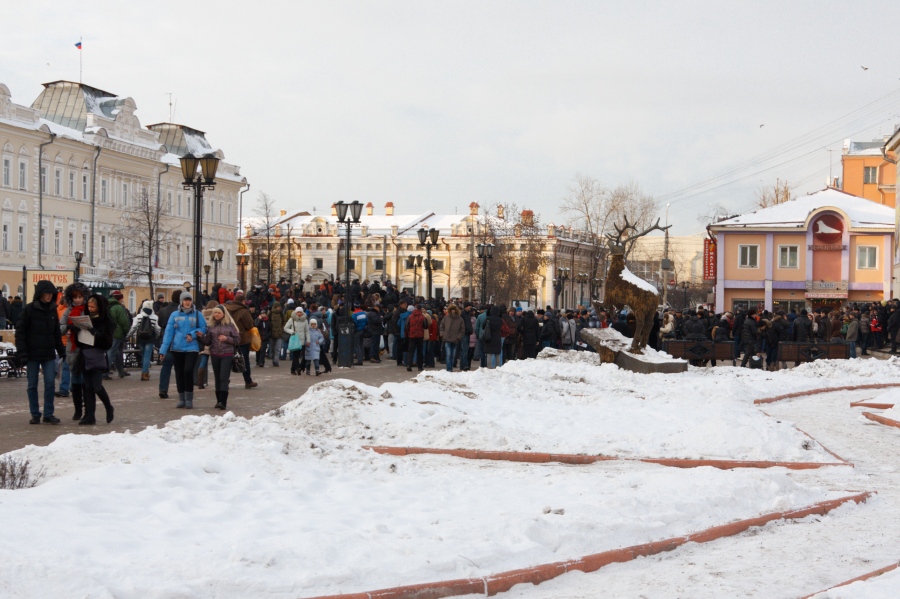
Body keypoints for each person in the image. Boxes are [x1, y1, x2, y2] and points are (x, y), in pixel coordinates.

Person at [16, 279, 66, 424]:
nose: (49, 296)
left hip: (48, 353)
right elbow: (20, 333)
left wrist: (61, 351)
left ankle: (48, 414)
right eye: (46, 293)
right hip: (32, 354)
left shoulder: (52, 310)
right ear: (40, 294)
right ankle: (35, 414)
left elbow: (56, 333)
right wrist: (23, 353)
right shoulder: (29, 309)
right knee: (32, 385)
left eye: (51, 293)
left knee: (50, 384)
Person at [159, 291, 207, 409]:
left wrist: (193, 334)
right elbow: (168, 333)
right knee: (179, 373)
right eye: (185, 300)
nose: (187, 302)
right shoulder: (175, 315)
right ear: (181, 301)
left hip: (192, 348)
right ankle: (182, 398)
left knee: (188, 371)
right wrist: (163, 350)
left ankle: (189, 398)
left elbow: (203, 328)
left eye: (189, 300)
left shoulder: (197, 314)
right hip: (177, 348)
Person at [76, 294, 115, 425]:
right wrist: (77, 331)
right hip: (85, 355)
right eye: (89, 306)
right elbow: (80, 342)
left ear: (99, 307)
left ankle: (108, 407)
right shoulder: (86, 319)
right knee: (87, 387)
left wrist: (95, 332)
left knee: (97, 387)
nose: (90, 309)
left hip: (97, 355)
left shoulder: (105, 321)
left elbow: (107, 342)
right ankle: (89, 415)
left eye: (93, 307)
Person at [58, 282, 91, 419]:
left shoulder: (89, 309)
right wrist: (70, 328)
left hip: (87, 347)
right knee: (76, 380)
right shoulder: (69, 311)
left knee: (86, 381)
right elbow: (60, 328)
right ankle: (78, 410)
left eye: (80, 296)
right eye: (75, 297)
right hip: (73, 348)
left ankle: (87, 410)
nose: (78, 299)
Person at [201, 304, 240, 410]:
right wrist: (201, 337)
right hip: (215, 354)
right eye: (215, 313)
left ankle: (223, 402)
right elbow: (208, 341)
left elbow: (237, 340)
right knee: (217, 378)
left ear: (223, 314)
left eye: (218, 312)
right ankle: (218, 401)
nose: (216, 314)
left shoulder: (230, 325)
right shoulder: (211, 326)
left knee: (224, 378)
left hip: (227, 354)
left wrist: (226, 338)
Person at [225, 290, 258, 389]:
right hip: (242, 339)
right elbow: (249, 325)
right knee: (244, 360)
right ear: (243, 301)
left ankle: (225, 379)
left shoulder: (226, 309)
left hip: (228, 338)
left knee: (227, 359)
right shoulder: (244, 311)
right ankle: (248, 381)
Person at [127, 300, 161, 381]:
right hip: (150, 339)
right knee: (147, 356)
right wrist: (157, 336)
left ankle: (145, 372)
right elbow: (158, 329)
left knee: (143, 355)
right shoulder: (155, 317)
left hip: (140, 339)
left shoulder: (138, 316)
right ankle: (144, 373)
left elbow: (133, 327)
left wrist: (128, 335)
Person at [157, 290, 181, 399]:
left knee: (166, 366)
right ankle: (180, 389)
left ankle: (163, 389)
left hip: (166, 340)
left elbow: (160, 324)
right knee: (179, 367)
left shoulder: (163, 310)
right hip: (179, 341)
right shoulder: (181, 312)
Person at [105, 289, 131, 380]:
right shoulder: (118, 307)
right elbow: (124, 321)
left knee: (116, 353)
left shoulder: (106, 305)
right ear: (119, 298)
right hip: (117, 332)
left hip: (108, 331)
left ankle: (121, 371)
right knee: (112, 352)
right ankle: (104, 372)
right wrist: (126, 331)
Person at [285, 306, 311, 374]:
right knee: (295, 355)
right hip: (295, 339)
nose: (299, 313)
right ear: (296, 312)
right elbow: (285, 328)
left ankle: (292, 369)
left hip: (302, 340)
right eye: (298, 312)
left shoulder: (305, 320)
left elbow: (307, 331)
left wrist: (308, 340)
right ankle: (297, 368)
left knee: (301, 355)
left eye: (300, 312)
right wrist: (292, 331)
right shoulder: (292, 319)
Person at [405, 304, 426, 372]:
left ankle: (409, 365)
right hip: (420, 336)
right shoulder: (422, 317)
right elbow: (425, 326)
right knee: (420, 351)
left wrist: (406, 334)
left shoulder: (410, 316)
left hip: (411, 335)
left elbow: (406, 326)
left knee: (411, 351)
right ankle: (420, 366)